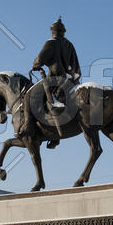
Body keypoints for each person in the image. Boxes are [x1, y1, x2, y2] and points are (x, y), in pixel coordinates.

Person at [31, 18, 81, 148]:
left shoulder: (51, 43)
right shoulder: (69, 44)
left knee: (33, 99)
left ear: (53, 31)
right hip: (69, 80)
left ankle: (41, 131)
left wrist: (35, 65)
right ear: (63, 32)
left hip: (55, 80)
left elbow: (40, 60)